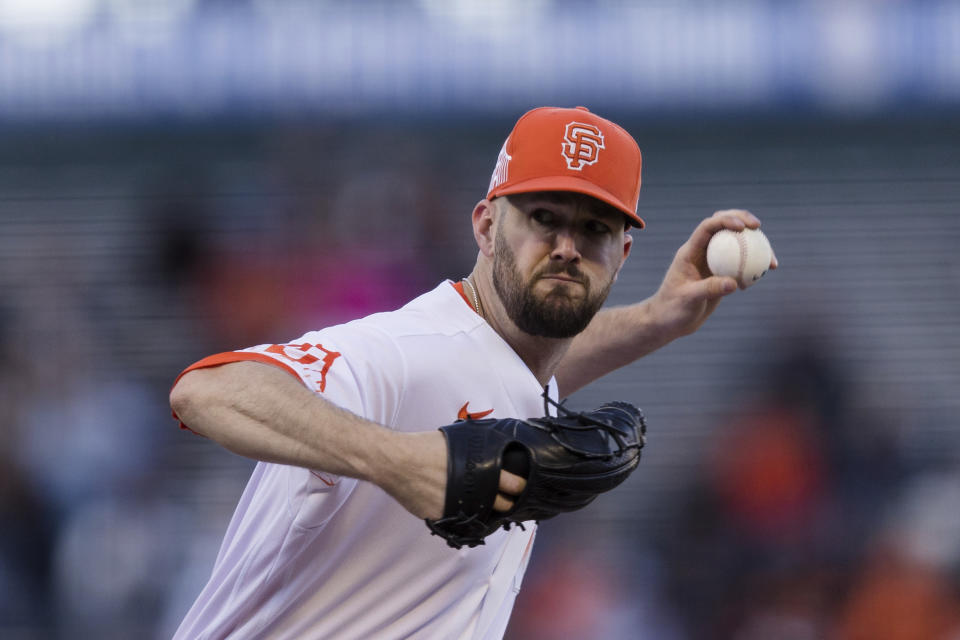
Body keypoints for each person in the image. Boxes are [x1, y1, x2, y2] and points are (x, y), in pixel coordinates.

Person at [169, 105, 777, 639]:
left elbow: (532, 359)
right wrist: (401, 462)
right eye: (544, 217)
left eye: (594, 228)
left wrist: (656, 319)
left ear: (621, 255)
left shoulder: (512, 364)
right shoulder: (405, 351)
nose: (567, 245)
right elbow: (209, 389)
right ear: (487, 226)